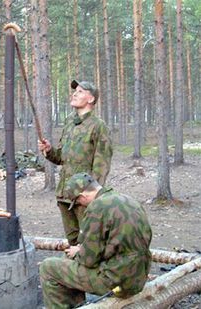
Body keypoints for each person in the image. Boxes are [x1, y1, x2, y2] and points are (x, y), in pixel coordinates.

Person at [39, 173, 152, 308]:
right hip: (138, 278)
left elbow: (88, 260)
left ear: (82, 196)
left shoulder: (97, 207)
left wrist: (79, 252)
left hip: (117, 282)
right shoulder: (128, 200)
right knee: (67, 262)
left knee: (48, 267)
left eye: (78, 203)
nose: (81, 206)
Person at [38, 80, 113, 246]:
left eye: (80, 91)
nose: (74, 94)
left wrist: (91, 196)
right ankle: (74, 271)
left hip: (83, 197)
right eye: (75, 91)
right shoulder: (70, 122)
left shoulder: (98, 126)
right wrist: (49, 150)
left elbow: (102, 166)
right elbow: (61, 158)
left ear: (91, 99)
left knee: (89, 242)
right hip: (65, 194)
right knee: (72, 242)